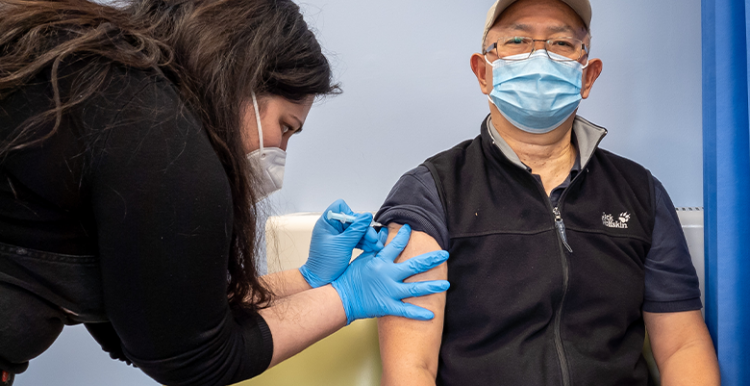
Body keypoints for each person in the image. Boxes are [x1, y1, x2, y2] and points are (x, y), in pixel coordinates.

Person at [0, 0, 450, 385]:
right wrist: (346, 297)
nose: (279, 152)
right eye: (285, 128)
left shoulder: (101, 88)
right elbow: (193, 360)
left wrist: (308, 279)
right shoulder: (161, 138)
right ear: (242, 79)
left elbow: (151, 322)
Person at [374, 0, 720, 385]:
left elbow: (682, 347)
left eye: (561, 44)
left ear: (588, 77)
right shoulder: (430, 193)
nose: (539, 56)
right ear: (483, 72)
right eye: (517, 40)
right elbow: (411, 369)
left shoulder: (640, 193)